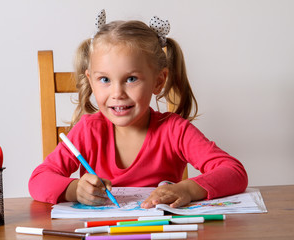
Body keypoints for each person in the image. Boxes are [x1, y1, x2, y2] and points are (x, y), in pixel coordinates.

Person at [29, 10, 248, 209]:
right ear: (91, 81)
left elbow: (234, 172)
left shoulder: (174, 130)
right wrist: (75, 190)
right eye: (104, 79)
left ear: (158, 81)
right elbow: (38, 180)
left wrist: (188, 189)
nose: (117, 93)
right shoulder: (88, 130)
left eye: (131, 79)